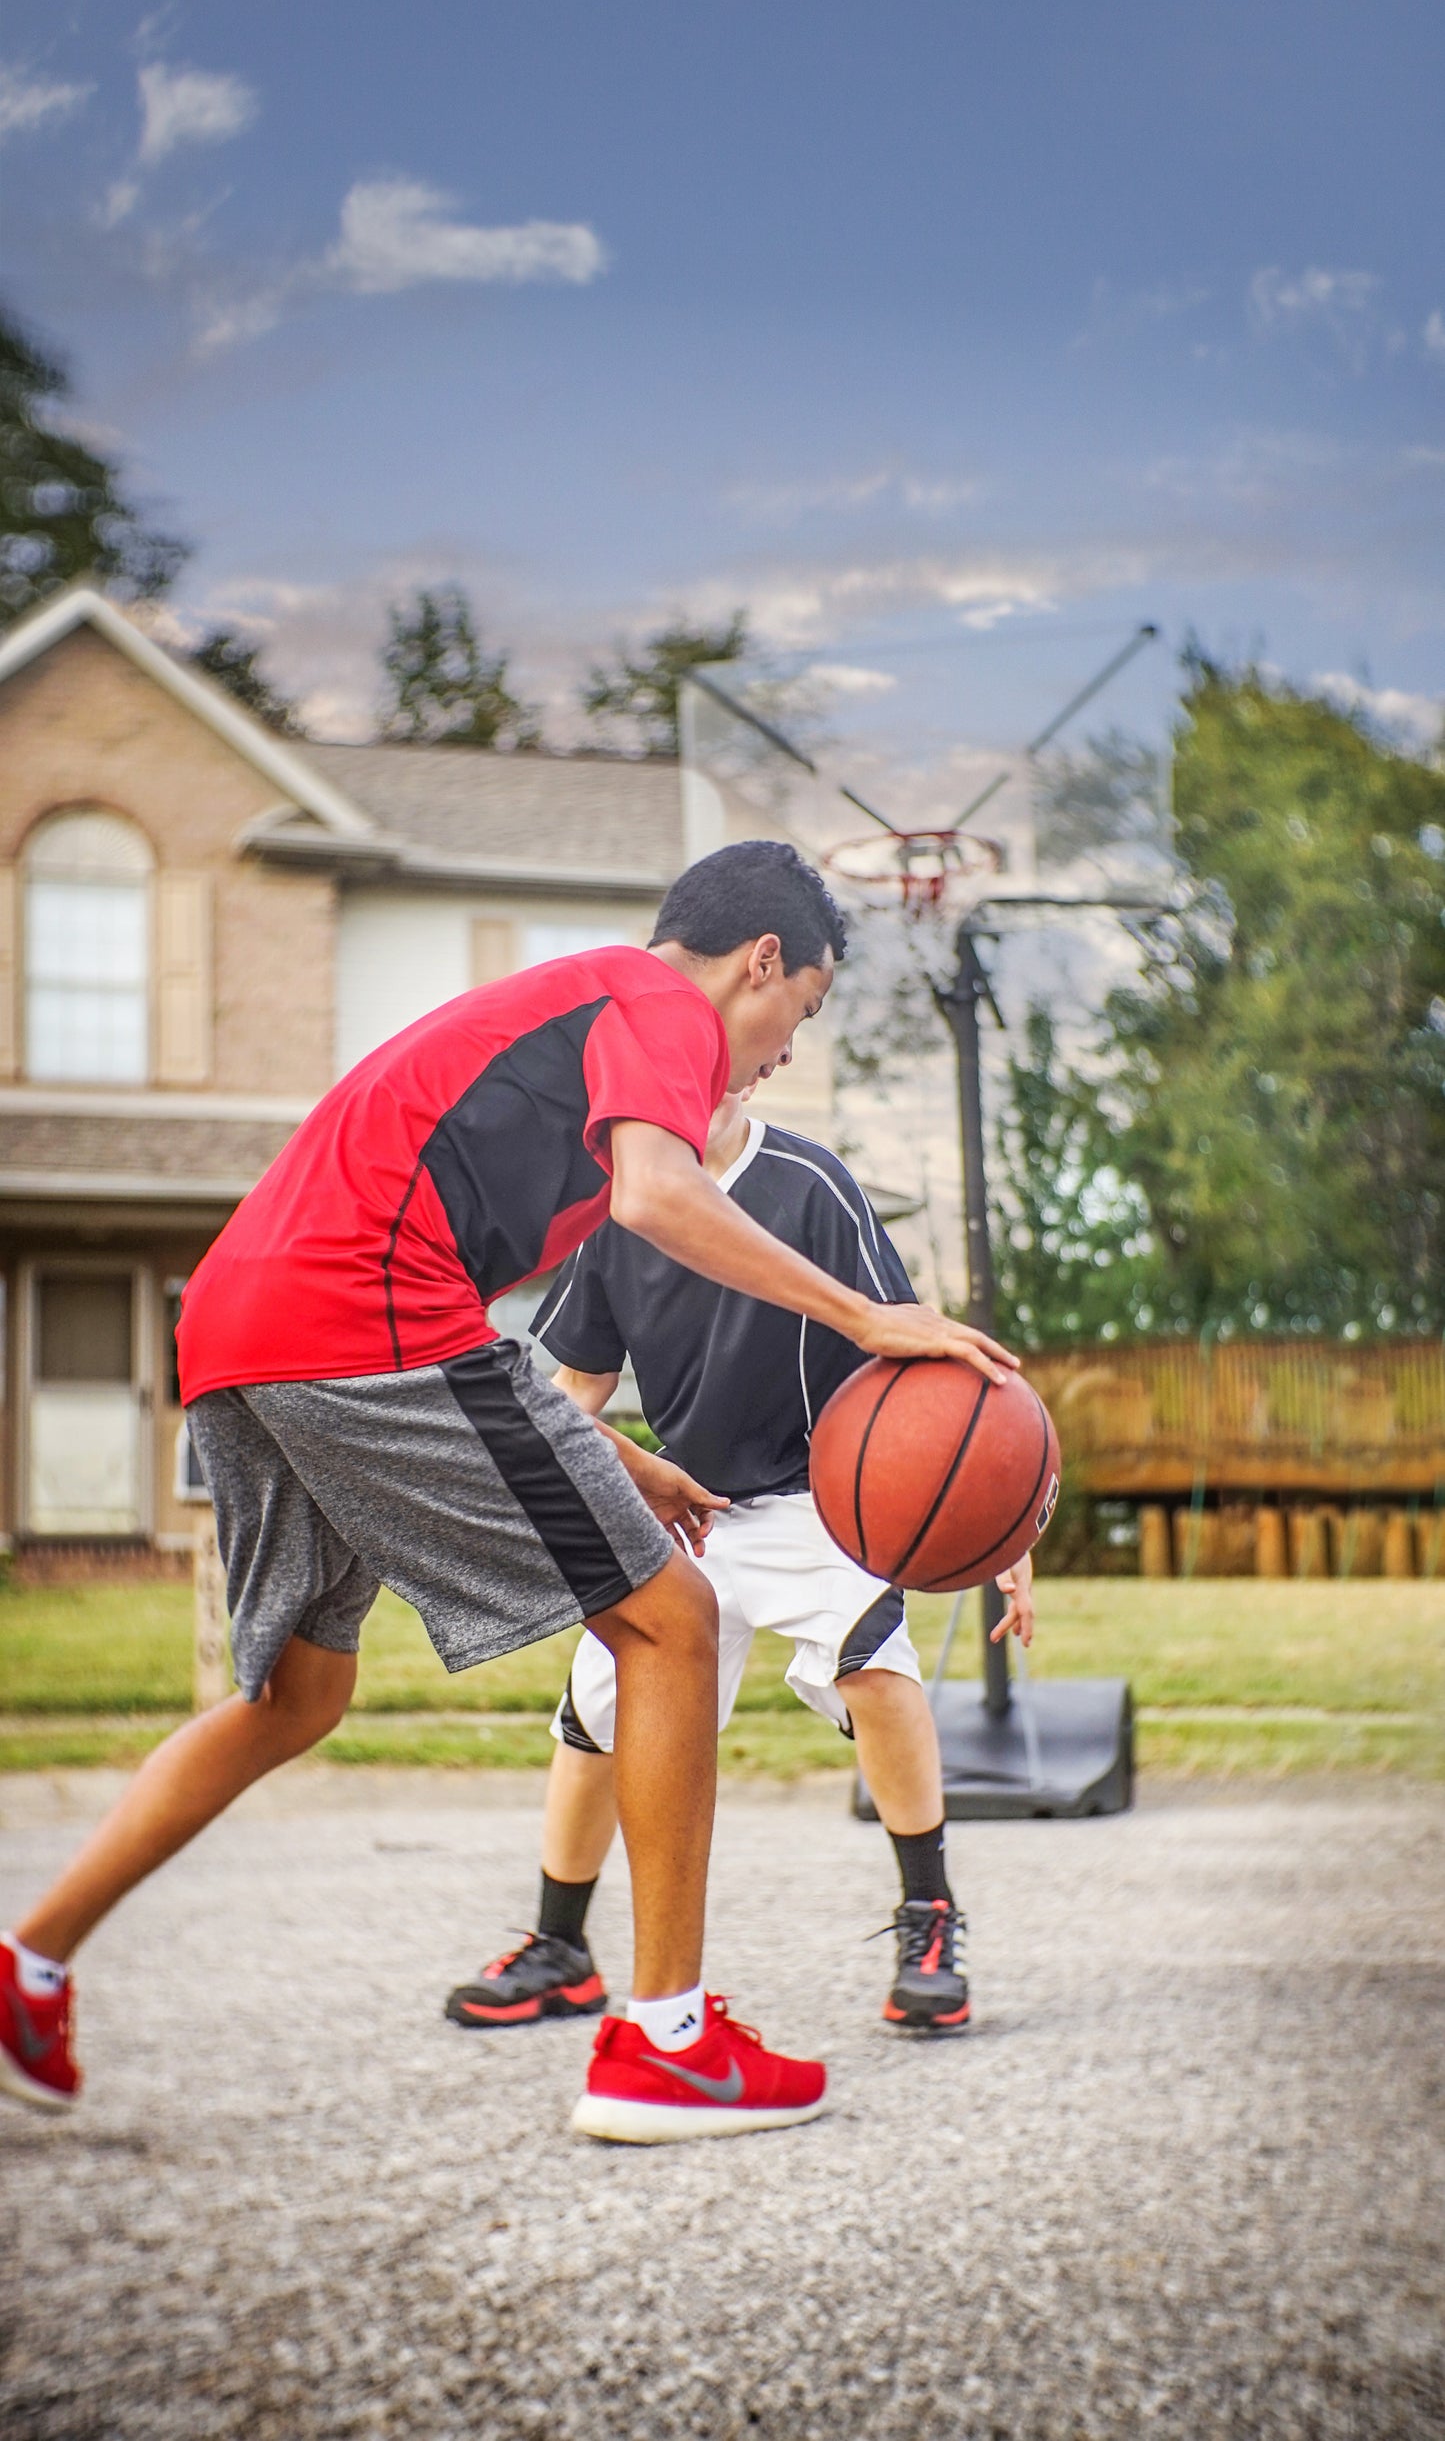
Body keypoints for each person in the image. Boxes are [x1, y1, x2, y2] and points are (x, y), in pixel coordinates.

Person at [0, 841, 1018, 2144]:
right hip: (366, 1315)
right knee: (671, 1618)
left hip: (247, 1327)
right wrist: (870, 1315)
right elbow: (661, 1194)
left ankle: (28, 1963)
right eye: (797, 1014)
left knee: (293, 1695)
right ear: (762, 961)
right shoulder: (658, 1006)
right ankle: (666, 2039)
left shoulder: (572, 1009)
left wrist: (627, 1459)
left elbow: (502, 1300)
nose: (775, 1056)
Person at [445, 1089, 1035, 2043]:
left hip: (822, 1497)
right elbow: (578, 1391)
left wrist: (1004, 1531)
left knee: (872, 1665)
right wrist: (533, 1497)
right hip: (684, 1502)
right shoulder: (617, 1210)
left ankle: (928, 1919)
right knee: (598, 1710)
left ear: (740, 1076)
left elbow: (913, 1336)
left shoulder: (810, 1185)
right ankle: (560, 1948)